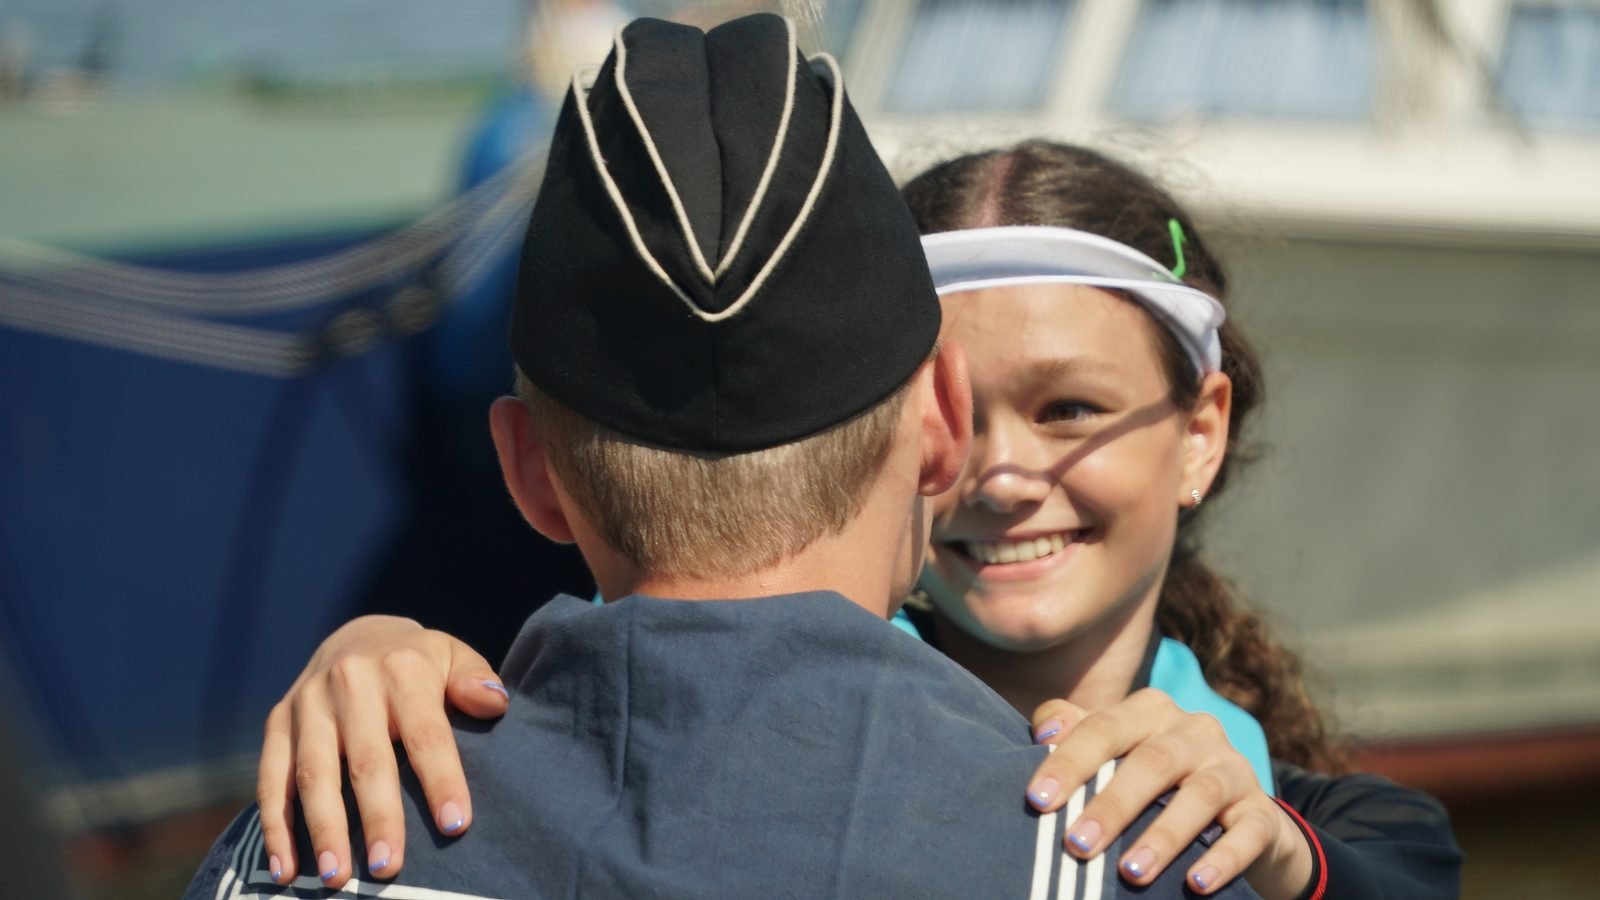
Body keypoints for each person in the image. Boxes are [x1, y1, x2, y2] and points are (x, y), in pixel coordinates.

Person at [255, 88, 1463, 900]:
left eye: (1067, 409)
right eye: (964, 414)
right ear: (912, 432)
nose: (1001, 473)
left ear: (1200, 433)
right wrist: (378, 664)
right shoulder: (725, 713)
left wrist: (1277, 855)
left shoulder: (1310, 819)